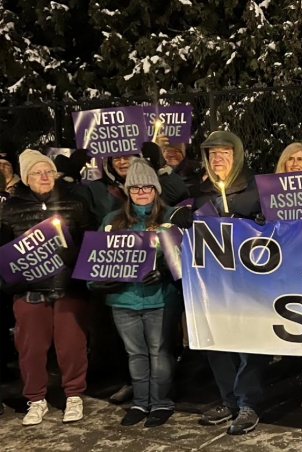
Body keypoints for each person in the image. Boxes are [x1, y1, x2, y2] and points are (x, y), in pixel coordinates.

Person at [172, 130, 266, 435]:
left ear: (236, 155)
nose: (218, 159)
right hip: (212, 285)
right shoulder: (203, 191)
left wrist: (261, 221)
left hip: (249, 283)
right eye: (212, 154)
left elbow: (276, 230)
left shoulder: (256, 188)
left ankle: (248, 402)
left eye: (224, 153)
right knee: (218, 343)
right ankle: (229, 400)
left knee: (247, 345)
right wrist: (183, 215)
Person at [0, 150, 96, 426]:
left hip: (69, 289)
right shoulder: (9, 208)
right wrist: (7, 280)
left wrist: (74, 256)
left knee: (72, 346)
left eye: (48, 171)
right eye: (37, 173)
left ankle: (74, 395)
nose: (44, 177)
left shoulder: (74, 204)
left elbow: (90, 242)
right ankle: (35, 398)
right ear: (26, 178)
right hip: (29, 291)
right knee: (30, 348)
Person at [89, 159, 181, 428]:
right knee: (136, 354)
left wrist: (165, 272)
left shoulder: (169, 218)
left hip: (160, 298)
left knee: (160, 352)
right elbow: (96, 261)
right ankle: (140, 402)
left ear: (156, 189)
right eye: (135, 187)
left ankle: (161, 402)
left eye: (147, 187)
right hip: (123, 300)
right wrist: (95, 284)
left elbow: (184, 257)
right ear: (128, 191)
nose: (141, 192)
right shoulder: (112, 222)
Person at [274, 141, 302, 409]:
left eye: (300, 159)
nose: (295, 164)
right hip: (285, 265)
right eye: (290, 159)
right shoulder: (272, 194)